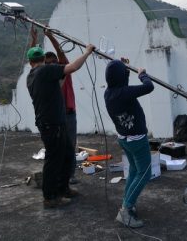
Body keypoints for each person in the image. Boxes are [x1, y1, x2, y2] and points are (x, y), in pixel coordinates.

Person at [26, 32, 95, 209]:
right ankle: (49, 197)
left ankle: (63, 188)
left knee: (66, 155)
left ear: (30, 62)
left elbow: (58, 81)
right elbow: (72, 67)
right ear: (43, 59)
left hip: (55, 122)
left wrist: (34, 40)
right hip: (52, 124)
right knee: (53, 160)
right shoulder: (45, 71)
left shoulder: (32, 75)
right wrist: (87, 52)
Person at [104, 59, 154, 228]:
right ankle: (125, 209)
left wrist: (124, 69)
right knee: (145, 173)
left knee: (134, 170)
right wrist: (142, 74)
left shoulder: (109, 93)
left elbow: (121, 84)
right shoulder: (124, 93)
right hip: (137, 140)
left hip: (124, 139)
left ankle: (128, 203)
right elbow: (148, 87)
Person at [31, 26, 79, 184]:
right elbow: (33, 61)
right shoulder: (44, 75)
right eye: (48, 63)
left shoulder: (62, 70)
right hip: (55, 118)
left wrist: (51, 37)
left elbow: (61, 54)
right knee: (57, 152)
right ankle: (58, 181)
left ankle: (68, 177)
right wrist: (34, 40)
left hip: (68, 114)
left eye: (54, 63)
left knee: (70, 148)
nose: (51, 65)